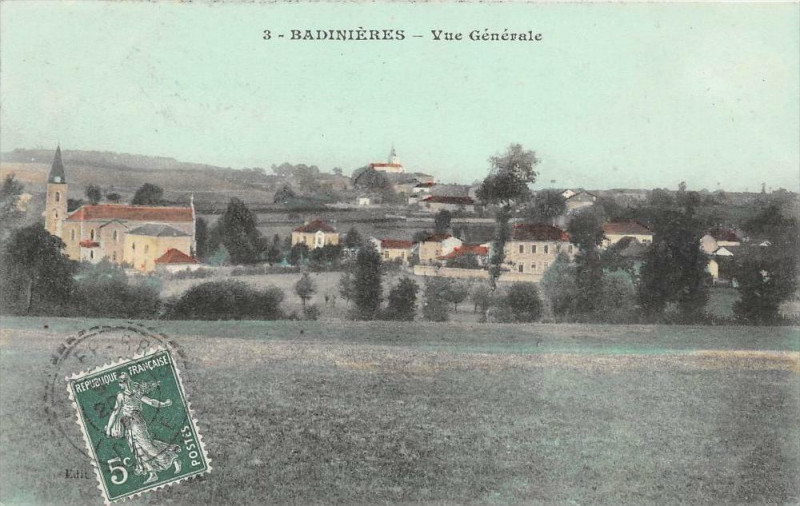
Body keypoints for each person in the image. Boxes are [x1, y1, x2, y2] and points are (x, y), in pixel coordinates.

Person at [105, 373, 181, 484]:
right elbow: (116, 412)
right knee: (138, 449)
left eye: (120, 383)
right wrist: (109, 428)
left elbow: (150, 401)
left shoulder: (133, 393)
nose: (120, 385)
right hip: (128, 425)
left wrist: (164, 404)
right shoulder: (123, 395)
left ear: (125, 382)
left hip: (136, 423)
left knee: (147, 447)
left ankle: (172, 458)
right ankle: (152, 473)